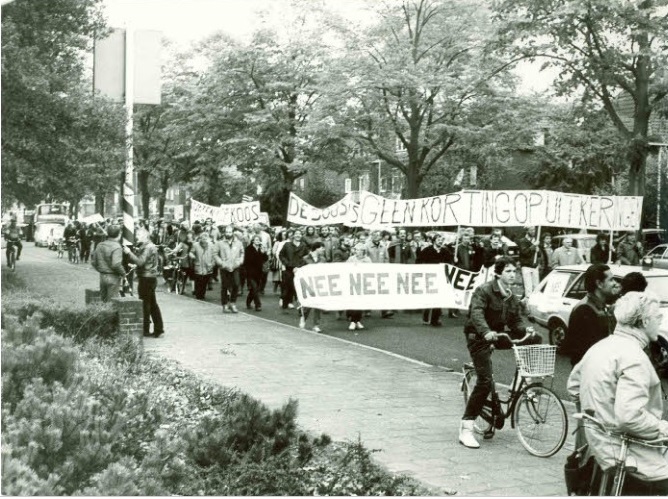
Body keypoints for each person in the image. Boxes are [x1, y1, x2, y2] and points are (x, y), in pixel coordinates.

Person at [567, 291, 668, 495]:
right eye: (659, 317)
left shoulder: (600, 347)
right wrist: (663, 428)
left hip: (601, 451)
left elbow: (574, 387)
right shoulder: (634, 357)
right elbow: (629, 417)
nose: (661, 321)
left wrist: (599, 420)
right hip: (632, 455)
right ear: (645, 321)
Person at [459, 256, 541, 449]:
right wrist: (485, 332)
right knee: (485, 381)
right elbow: (476, 313)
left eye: (515, 271)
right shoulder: (484, 290)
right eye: (509, 271)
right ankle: (466, 428)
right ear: (498, 273)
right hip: (478, 337)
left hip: (498, 335)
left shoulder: (512, 296)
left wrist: (525, 331)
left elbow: (515, 321)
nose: (513, 275)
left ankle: (520, 382)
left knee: (534, 339)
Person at [562, 264, 619, 367]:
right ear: (599, 284)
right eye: (611, 280)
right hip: (590, 375)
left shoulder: (599, 306)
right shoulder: (584, 310)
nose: (615, 283)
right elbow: (584, 352)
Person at [123, 229, 164, 338]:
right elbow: (147, 262)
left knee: (145, 304)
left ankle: (146, 330)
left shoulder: (147, 247)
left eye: (139, 235)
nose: (137, 236)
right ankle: (158, 328)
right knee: (152, 304)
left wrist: (129, 253)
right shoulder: (150, 246)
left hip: (146, 278)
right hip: (151, 277)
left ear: (146, 236)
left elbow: (141, 261)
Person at [417, 233, 451, 327]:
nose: (440, 241)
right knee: (429, 297)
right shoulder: (427, 250)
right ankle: (426, 317)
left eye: (442, 239)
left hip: (441, 277)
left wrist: (454, 261)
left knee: (438, 298)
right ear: (434, 240)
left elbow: (449, 263)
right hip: (429, 277)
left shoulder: (445, 251)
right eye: (438, 239)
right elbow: (418, 261)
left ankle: (435, 319)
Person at [214, 225, 245, 313]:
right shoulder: (220, 243)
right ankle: (224, 304)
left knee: (236, 284)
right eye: (227, 232)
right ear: (224, 233)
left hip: (235, 266)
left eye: (230, 232)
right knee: (225, 286)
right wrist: (221, 263)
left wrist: (239, 262)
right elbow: (215, 254)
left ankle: (233, 303)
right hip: (224, 267)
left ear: (233, 232)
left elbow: (242, 253)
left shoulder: (238, 243)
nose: (228, 234)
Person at [91, 225, 126, 302]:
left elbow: (93, 262)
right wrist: (123, 273)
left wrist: (100, 269)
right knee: (112, 303)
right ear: (119, 234)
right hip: (113, 277)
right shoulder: (117, 247)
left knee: (103, 301)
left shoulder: (100, 245)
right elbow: (116, 264)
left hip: (102, 276)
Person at [299, 241, 326, 332]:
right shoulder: (305, 258)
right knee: (308, 304)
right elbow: (300, 270)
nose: (323, 250)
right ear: (317, 248)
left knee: (318, 304)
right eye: (322, 248)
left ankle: (316, 325)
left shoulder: (323, 259)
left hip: (319, 284)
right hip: (308, 284)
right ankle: (303, 318)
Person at [279, 228, 309, 311]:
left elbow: (306, 257)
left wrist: (299, 266)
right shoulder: (287, 245)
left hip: (299, 269)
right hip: (289, 269)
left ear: (301, 235)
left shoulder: (304, 246)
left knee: (297, 287)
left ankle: (299, 305)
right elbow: (281, 255)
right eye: (296, 233)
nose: (298, 235)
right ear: (293, 235)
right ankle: (285, 303)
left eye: (300, 234)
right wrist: (287, 263)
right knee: (288, 286)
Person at [346, 243, 371, 330]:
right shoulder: (351, 259)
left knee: (360, 303)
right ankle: (353, 321)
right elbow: (345, 269)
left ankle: (358, 320)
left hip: (362, 282)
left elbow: (370, 271)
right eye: (356, 250)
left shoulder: (367, 260)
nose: (358, 252)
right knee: (353, 302)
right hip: (352, 282)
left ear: (363, 251)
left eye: (360, 250)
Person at [244, 234, 268, 311]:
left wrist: (264, 252)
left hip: (259, 272)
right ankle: (258, 305)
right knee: (254, 288)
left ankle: (248, 302)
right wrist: (259, 253)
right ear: (253, 240)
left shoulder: (261, 249)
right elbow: (250, 260)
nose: (257, 241)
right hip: (250, 272)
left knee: (254, 289)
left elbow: (265, 259)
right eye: (256, 239)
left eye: (259, 240)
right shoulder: (248, 249)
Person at [189, 232, 215, 300]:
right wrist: (193, 256)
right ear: (200, 238)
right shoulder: (195, 245)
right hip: (199, 266)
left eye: (206, 239)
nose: (205, 240)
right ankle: (198, 295)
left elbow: (214, 255)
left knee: (205, 282)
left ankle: (202, 294)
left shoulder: (211, 245)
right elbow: (191, 252)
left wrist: (212, 263)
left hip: (208, 266)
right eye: (203, 239)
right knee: (198, 281)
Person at [517, 226, 540, 296]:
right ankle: (528, 303)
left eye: (534, 230)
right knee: (528, 288)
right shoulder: (522, 241)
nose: (534, 231)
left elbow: (538, 255)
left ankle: (535, 302)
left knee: (536, 287)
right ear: (527, 231)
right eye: (531, 230)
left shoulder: (535, 240)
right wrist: (533, 246)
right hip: (526, 266)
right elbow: (524, 252)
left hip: (534, 266)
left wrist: (538, 251)